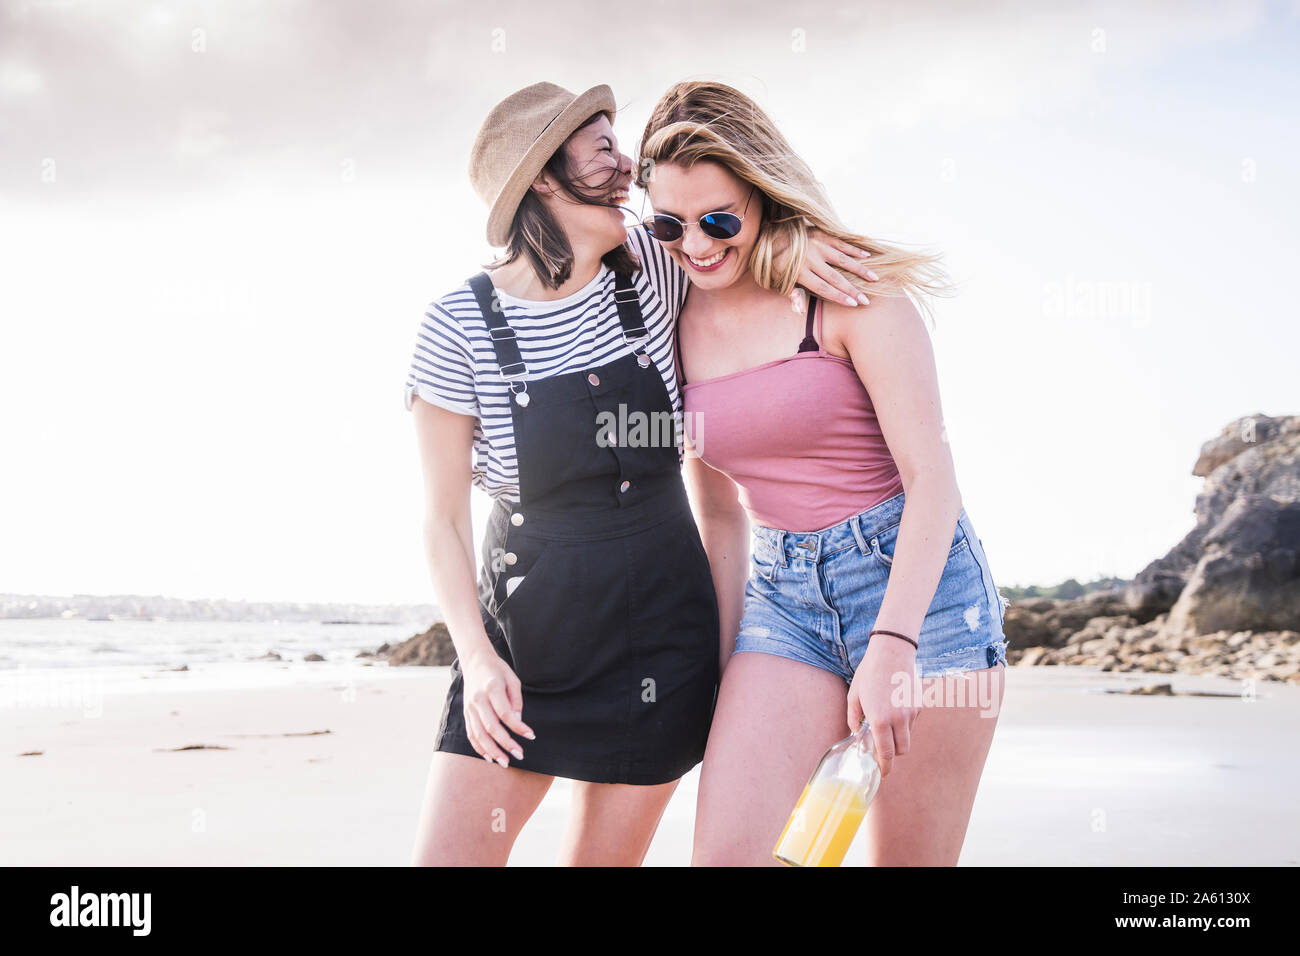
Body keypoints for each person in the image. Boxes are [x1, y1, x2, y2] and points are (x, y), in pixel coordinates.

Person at [405, 81, 875, 866]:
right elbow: (441, 519)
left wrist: (805, 246)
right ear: (542, 181)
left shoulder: (659, 268)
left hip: (662, 640)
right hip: (525, 652)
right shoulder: (457, 327)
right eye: (602, 152)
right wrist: (479, 663)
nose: (629, 168)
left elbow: (743, 229)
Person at [638, 80, 1010, 866]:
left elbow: (933, 479)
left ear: (762, 194)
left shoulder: (847, 291)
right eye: (670, 224)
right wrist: (725, 663)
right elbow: (721, 513)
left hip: (923, 594)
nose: (696, 246)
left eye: (718, 221)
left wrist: (894, 641)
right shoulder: (670, 313)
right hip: (784, 600)